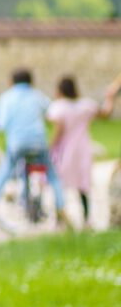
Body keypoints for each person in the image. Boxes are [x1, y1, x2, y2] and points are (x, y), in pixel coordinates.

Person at [0, 68, 71, 233]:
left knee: (2, 176)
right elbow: (52, 113)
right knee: (53, 176)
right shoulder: (37, 95)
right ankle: (61, 207)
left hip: (17, 144)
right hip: (38, 142)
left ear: (11, 82)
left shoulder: (6, 98)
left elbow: (1, 124)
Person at [48, 76, 98, 227]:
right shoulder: (86, 105)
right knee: (82, 184)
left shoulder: (59, 107)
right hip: (83, 149)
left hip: (65, 151)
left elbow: (58, 131)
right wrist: (110, 97)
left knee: (60, 183)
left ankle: (60, 218)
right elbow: (105, 113)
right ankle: (87, 218)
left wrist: (49, 147)